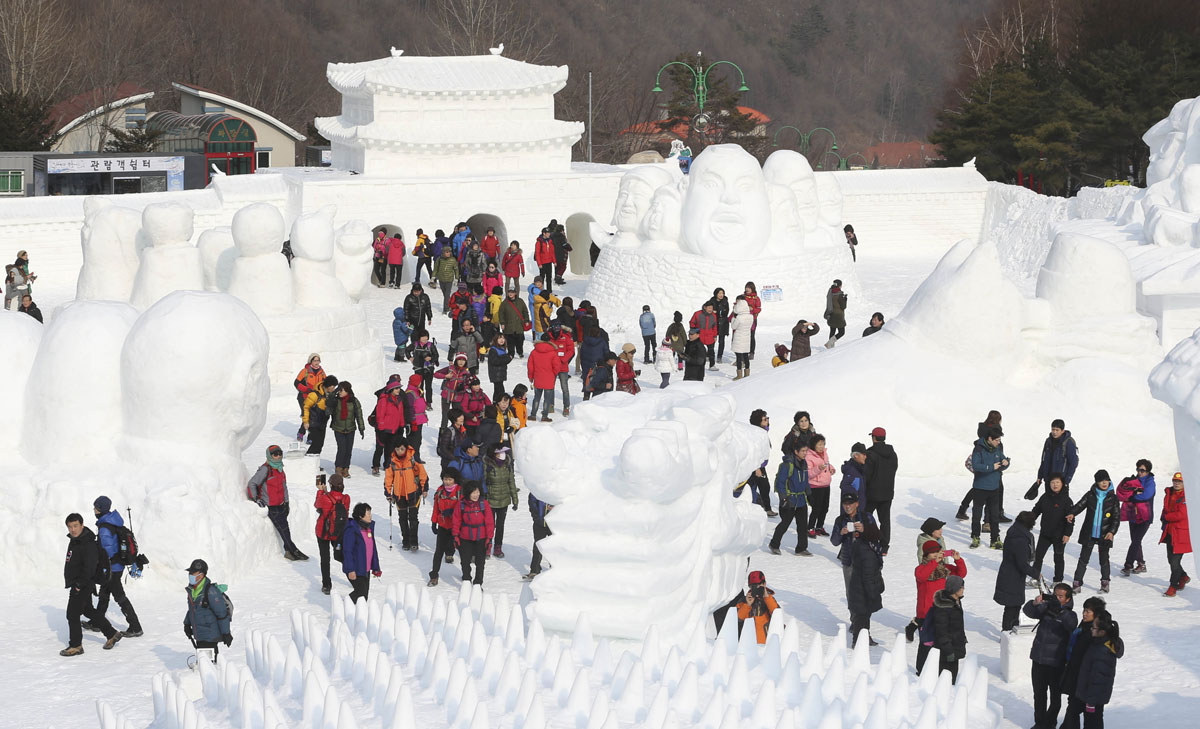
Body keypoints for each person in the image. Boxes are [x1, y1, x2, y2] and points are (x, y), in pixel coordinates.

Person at [60, 513, 122, 656]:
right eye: (70, 527)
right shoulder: (75, 540)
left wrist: (79, 585)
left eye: (76, 526)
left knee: (72, 615)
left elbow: (89, 568)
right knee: (88, 610)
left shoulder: (87, 543)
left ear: (82, 525)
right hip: (79, 582)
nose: (73, 529)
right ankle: (111, 633)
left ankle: (76, 645)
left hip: (82, 584)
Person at [1024, 583, 1077, 729]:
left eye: (1060, 596)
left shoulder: (1070, 614)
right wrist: (1035, 603)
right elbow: (1028, 611)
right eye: (1055, 595)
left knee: (1055, 697)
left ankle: (1050, 722)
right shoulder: (1046, 608)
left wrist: (1060, 610)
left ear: (1067, 599)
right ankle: (1039, 723)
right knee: (1039, 695)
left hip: (1056, 663)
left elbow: (1071, 625)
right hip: (1038, 659)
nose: (1056, 598)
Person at [91, 496, 143, 637]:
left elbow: (107, 550)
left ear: (100, 509)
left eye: (95, 508)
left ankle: (135, 626)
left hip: (112, 568)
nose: (94, 510)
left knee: (119, 597)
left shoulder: (105, 527)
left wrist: (98, 558)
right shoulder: (112, 521)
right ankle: (97, 622)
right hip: (116, 566)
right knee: (104, 594)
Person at [1062, 610, 1122, 729]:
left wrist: (1091, 702)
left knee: (1092, 723)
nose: (1091, 630)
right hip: (1084, 693)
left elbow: (1099, 679)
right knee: (1073, 714)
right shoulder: (1097, 643)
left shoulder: (1103, 651)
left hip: (1092, 698)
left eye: (1094, 628)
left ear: (1102, 631)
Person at [247, 446, 308, 560]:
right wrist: (256, 499)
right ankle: (294, 550)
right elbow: (252, 484)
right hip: (271, 506)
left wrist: (286, 502)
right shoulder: (265, 469)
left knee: (285, 528)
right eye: (275, 454)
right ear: (269, 456)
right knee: (284, 528)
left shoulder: (280, 469)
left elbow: (284, 487)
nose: (278, 456)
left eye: (280, 453)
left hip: (281, 505)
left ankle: (289, 552)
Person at [913, 541, 967, 669]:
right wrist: (934, 562)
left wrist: (958, 560)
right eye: (933, 553)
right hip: (926, 612)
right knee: (926, 643)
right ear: (926, 554)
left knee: (940, 642)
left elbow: (961, 574)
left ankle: (937, 668)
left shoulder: (945, 568)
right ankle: (920, 669)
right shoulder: (921, 568)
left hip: (942, 611)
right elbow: (922, 576)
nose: (936, 555)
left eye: (938, 552)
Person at [1066, 471, 1120, 593]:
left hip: (1105, 534)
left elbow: (1116, 518)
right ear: (1097, 482)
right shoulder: (1090, 495)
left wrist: (1112, 532)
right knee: (1083, 559)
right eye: (1101, 480)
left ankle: (1105, 582)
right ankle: (1077, 582)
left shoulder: (1113, 498)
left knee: (1104, 559)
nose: (1104, 483)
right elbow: (1080, 505)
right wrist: (1071, 513)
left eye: (1106, 480)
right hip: (1089, 533)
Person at [995, 511, 1041, 630]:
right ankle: (1008, 632)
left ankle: (1010, 630)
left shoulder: (1015, 533)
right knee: (1012, 606)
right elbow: (1021, 563)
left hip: (1010, 575)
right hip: (1013, 577)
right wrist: (1035, 573)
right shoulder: (1020, 539)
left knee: (1013, 606)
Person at [769, 440, 813, 555]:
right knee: (785, 524)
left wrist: (809, 495)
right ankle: (774, 544)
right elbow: (780, 483)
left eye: (806, 451)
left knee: (803, 526)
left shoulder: (804, 464)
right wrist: (783, 498)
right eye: (802, 451)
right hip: (789, 500)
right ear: (796, 451)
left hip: (801, 500)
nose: (805, 453)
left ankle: (801, 548)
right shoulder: (787, 465)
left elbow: (805, 482)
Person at [968, 426, 1009, 549]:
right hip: (980, 487)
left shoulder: (997, 449)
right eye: (996, 440)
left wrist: (1006, 463)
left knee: (994, 515)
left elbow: (1002, 460)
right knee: (977, 514)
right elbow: (976, 466)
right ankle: (976, 537)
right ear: (989, 439)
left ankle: (995, 539)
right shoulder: (978, 449)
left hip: (994, 487)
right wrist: (991, 467)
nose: (999, 442)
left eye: (999, 440)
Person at [183, 558, 231, 660]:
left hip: (210, 634)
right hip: (199, 633)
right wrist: (187, 624)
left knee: (209, 665)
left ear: (201, 575)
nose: (190, 575)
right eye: (190, 573)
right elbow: (192, 609)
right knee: (204, 663)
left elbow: (221, 614)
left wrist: (226, 633)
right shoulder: (193, 590)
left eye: (193, 573)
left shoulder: (211, 592)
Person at [922, 574, 967, 682]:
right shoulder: (943, 608)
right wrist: (948, 650)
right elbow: (941, 631)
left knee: (952, 677)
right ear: (954, 589)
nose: (963, 589)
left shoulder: (956, 601)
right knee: (945, 680)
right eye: (961, 587)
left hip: (954, 645)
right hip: (946, 650)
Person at [847, 522, 885, 647]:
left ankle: (864, 637)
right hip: (862, 590)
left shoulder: (865, 546)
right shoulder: (868, 552)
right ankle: (858, 642)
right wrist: (873, 592)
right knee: (862, 616)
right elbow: (868, 575)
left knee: (864, 615)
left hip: (860, 588)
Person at [385, 443, 428, 552]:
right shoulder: (392, 462)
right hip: (399, 495)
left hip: (413, 493)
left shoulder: (413, 459)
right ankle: (406, 540)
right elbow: (388, 478)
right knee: (402, 518)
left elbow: (422, 474)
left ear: (406, 449)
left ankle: (414, 541)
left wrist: (424, 488)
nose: (400, 451)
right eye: (397, 448)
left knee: (413, 518)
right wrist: (388, 492)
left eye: (402, 449)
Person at [1032, 474, 1074, 583]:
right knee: (1038, 556)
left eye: (1057, 482)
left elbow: (1070, 520)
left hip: (1059, 535)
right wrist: (1028, 521)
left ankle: (1058, 581)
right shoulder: (1045, 497)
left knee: (1058, 558)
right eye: (1052, 482)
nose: (1055, 485)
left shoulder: (1067, 500)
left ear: (1062, 484)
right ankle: (1035, 578)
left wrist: (1067, 534)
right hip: (1045, 533)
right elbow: (1036, 510)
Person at [1117, 459, 1156, 576]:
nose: (1140, 472)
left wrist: (1132, 496)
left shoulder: (1150, 482)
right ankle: (1141, 563)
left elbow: (1146, 495)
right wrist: (1133, 494)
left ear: (1148, 471)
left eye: (1142, 470)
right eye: (1138, 469)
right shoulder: (1133, 481)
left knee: (1136, 540)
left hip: (1145, 516)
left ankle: (1128, 565)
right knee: (1135, 540)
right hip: (1133, 515)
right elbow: (1121, 493)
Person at [831, 493, 876, 594]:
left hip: (865, 562)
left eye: (850, 503)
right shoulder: (840, 520)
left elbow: (877, 537)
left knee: (867, 593)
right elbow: (834, 542)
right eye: (845, 504)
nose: (848, 506)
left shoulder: (866, 517)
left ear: (857, 504)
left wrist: (864, 530)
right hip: (848, 562)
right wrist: (841, 533)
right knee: (851, 594)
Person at [314, 474, 352, 594]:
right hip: (338, 533)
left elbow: (317, 504)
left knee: (325, 559)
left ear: (330, 485)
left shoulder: (325, 498)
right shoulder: (346, 498)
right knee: (343, 556)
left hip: (323, 532)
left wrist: (321, 491)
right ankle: (352, 576)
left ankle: (326, 585)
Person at [453, 482, 495, 586]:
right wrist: (455, 536)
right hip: (465, 537)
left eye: (477, 492)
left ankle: (478, 583)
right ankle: (467, 579)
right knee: (465, 561)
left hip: (481, 537)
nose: (476, 495)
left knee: (480, 562)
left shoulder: (484, 504)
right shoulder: (461, 504)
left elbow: (490, 522)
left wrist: (489, 538)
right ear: (468, 493)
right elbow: (456, 520)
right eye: (473, 493)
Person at [864, 427, 898, 555]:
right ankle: (884, 546)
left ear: (873, 438)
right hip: (888, 492)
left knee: (866, 517)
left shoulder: (870, 454)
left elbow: (867, 474)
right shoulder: (893, 453)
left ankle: (868, 540)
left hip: (872, 493)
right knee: (885, 520)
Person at [342, 503, 381, 602]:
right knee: (360, 594)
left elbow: (373, 549)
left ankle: (358, 614)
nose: (370, 516)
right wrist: (350, 570)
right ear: (360, 516)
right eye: (367, 513)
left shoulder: (368, 529)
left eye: (370, 513)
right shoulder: (351, 529)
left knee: (364, 596)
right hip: (355, 569)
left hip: (365, 569)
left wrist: (376, 567)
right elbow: (347, 551)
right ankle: (343, 607)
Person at [485, 445, 519, 558]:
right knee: (490, 525)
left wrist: (515, 499)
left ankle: (498, 547)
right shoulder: (487, 465)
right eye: (500, 453)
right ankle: (487, 545)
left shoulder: (507, 465)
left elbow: (511, 482)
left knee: (500, 525)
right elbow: (483, 483)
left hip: (504, 500)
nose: (503, 455)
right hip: (490, 500)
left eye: (504, 453)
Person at [1161, 472, 1191, 596]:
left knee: (1174, 561)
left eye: (1179, 481)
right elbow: (1165, 509)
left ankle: (1173, 586)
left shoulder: (1187, 496)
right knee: (1171, 560)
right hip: (1169, 532)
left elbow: (1181, 514)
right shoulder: (1169, 493)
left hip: (1180, 534)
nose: (1176, 483)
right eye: (1175, 481)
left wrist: (1166, 517)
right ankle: (1183, 576)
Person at [329, 382, 365, 479]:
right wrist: (333, 394)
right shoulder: (335, 400)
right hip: (338, 428)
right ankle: (338, 468)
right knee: (342, 448)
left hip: (350, 429)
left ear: (347, 391)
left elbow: (359, 415)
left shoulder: (354, 401)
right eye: (339, 390)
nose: (340, 392)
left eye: (342, 390)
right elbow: (328, 409)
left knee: (348, 450)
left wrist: (361, 428)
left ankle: (346, 468)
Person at [371, 380, 407, 474]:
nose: (399, 390)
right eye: (396, 388)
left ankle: (387, 465)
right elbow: (380, 415)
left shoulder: (398, 399)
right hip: (383, 429)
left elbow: (401, 414)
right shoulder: (383, 400)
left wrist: (401, 425)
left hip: (394, 429)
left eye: (399, 388)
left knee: (390, 449)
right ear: (391, 389)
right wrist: (381, 428)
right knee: (379, 448)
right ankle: (375, 466)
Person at [734, 571, 780, 644]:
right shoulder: (743, 600)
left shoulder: (769, 600)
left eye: (758, 585)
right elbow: (738, 619)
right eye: (752, 586)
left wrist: (767, 598)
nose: (756, 588)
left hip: (767, 644)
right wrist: (747, 605)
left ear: (764, 584)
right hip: (747, 645)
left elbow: (777, 615)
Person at [1035, 419, 1079, 492]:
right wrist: (1040, 475)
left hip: (1061, 481)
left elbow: (1073, 463)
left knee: (1061, 502)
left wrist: (1067, 480)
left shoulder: (1068, 442)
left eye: (1057, 430)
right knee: (1048, 502)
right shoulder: (1048, 441)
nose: (1054, 432)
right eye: (1053, 429)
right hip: (1048, 480)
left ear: (1062, 431)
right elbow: (1043, 460)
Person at [746, 410, 775, 515]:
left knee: (764, 487)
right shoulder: (756, 434)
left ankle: (766, 508)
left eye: (767, 418)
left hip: (760, 465)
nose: (767, 420)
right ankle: (753, 509)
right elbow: (754, 451)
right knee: (752, 488)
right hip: (755, 466)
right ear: (758, 422)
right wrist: (757, 468)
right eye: (764, 419)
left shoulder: (763, 432)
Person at [302, 375, 339, 456]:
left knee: (320, 445)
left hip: (322, 423)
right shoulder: (314, 394)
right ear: (328, 386)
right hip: (313, 423)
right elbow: (306, 407)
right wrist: (305, 422)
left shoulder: (330, 395)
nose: (334, 388)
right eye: (333, 386)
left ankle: (314, 464)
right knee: (316, 443)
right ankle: (308, 461)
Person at [435, 353, 472, 430]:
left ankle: (457, 434)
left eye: (463, 360)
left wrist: (463, 387)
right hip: (446, 395)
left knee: (457, 417)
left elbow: (471, 384)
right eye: (459, 360)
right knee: (445, 416)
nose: (461, 362)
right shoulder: (450, 369)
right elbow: (435, 374)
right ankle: (443, 435)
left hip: (458, 397)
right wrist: (445, 376)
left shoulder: (467, 372)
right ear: (456, 360)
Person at [527, 335, 560, 422]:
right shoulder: (553, 352)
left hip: (537, 378)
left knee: (537, 397)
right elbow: (557, 366)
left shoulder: (534, 352)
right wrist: (554, 375)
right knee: (547, 399)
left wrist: (531, 377)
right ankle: (544, 416)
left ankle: (533, 415)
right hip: (549, 378)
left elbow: (530, 366)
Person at [293, 354, 326, 438]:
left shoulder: (322, 372)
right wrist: (306, 389)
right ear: (311, 361)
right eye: (315, 360)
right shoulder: (305, 371)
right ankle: (301, 433)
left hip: (315, 398)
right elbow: (296, 383)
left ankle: (308, 436)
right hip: (303, 397)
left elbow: (325, 384)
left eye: (318, 360)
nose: (317, 362)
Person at [524, 492, 553, 580]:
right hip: (539, 523)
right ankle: (534, 571)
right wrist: (536, 517)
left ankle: (555, 568)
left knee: (554, 546)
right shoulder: (536, 488)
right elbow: (532, 503)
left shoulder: (556, 487)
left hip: (553, 523)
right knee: (538, 546)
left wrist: (553, 508)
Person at [497, 286, 532, 358]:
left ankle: (520, 352)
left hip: (519, 326)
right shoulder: (504, 303)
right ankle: (511, 353)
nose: (510, 294)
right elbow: (501, 314)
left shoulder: (520, 301)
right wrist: (502, 323)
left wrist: (526, 320)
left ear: (515, 293)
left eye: (512, 292)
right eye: (509, 292)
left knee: (520, 340)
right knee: (510, 341)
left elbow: (525, 311)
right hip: (508, 326)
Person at [549, 324, 576, 413]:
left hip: (562, 366)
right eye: (554, 326)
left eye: (558, 326)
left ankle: (566, 406)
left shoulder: (565, 337)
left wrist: (564, 360)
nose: (556, 328)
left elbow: (571, 350)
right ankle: (551, 405)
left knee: (564, 388)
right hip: (552, 366)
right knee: (550, 387)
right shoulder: (548, 337)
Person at [408, 330, 439, 404]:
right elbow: (407, 350)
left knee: (428, 387)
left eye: (426, 337)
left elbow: (436, 355)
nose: (425, 338)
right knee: (419, 387)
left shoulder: (430, 345)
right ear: (419, 338)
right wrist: (410, 357)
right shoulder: (415, 345)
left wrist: (430, 358)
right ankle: (420, 401)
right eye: (423, 337)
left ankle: (429, 402)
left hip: (428, 369)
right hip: (418, 369)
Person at [839, 442, 869, 511]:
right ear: (855, 455)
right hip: (852, 513)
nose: (865, 457)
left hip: (859, 510)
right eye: (863, 454)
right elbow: (844, 485)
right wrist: (855, 495)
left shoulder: (859, 469)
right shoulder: (851, 470)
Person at [730, 295, 754, 380]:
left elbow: (733, 326)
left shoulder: (739, 317)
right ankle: (747, 373)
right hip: (747, 338)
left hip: (739, 338)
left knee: (739, 357)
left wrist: (733, 318)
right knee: (746, 357)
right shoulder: (751, 317)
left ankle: (739, 375)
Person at [689, 301, 719, 369]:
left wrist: (715, 336)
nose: (710, 309)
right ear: (705, 307)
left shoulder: (713, 316)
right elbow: (692, 323)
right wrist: (694, 333)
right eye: (709, 308)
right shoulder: (697, 314)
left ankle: (712, 365)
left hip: (710, 336)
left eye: (711, 308)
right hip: (699, 336)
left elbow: (714, 327)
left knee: (711, 351)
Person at [487, 333, 513, 402]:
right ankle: (498, 404)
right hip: (496, 375)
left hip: (500, 374)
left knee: (497, 390)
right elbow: (495, 361)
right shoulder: (493, 350)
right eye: (499, 338)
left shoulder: (502, 349)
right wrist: (507, 359)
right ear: (496, 339)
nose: (502, 340)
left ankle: (496, 403)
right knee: (500, 391)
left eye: (503, 338)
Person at [433, 246, 460, 312]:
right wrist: (433, 277)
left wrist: (456, 278)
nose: (448, 253)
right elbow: (436, 269)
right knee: (445, 294)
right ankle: (451, 304)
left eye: (449, 252)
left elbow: (456, 269)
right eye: (447, 252)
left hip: (449, 280)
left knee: (447, 294)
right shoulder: (439, 259)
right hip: (441, 279)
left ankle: (446, 309)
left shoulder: (453, 260)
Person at [823, 279, 848, 345]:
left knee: (832, 331)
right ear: (840, 285)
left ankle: (831, 347)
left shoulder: (830, 292)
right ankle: (830, 343)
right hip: (838, 316)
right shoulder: (839, 294)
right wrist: (845, 299)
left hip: (831, 314)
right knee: (842, 332)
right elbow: (843, 306)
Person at [710, 288, 730, 363]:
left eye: (722, 293)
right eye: (719, 293)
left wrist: (717, 312)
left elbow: (725, 312)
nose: (721, 295)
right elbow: (707, 309)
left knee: (721, 341)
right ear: (716, 294)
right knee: (712, 340)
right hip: (714, 322)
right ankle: (710, 354)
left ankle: (719, 356)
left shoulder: (725, 301)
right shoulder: (711, 301)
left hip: (723, 323)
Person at [743, 282, 762, 358]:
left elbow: (758, 309)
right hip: (743, 319)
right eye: (746, 287)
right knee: (743, 336)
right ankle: (744, 351)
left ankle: (751, 352)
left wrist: (752, 309)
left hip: (752, 319)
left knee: (751, 335)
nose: (747, 289)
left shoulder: (756, 298)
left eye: (749, 288)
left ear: (752, 289)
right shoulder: (743, 297)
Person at [534, 229, 556, 293]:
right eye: (548, 233)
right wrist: (539, 263)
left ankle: (549, 291)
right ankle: (540, 291)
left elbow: (552, 252)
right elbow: (537, 253)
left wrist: (554, 261)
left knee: (549, 277)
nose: (549, 234)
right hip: (542, 263)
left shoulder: (550, 241)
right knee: (542, 278)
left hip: (549, 262)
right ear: (544, 233)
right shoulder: (539, 242)